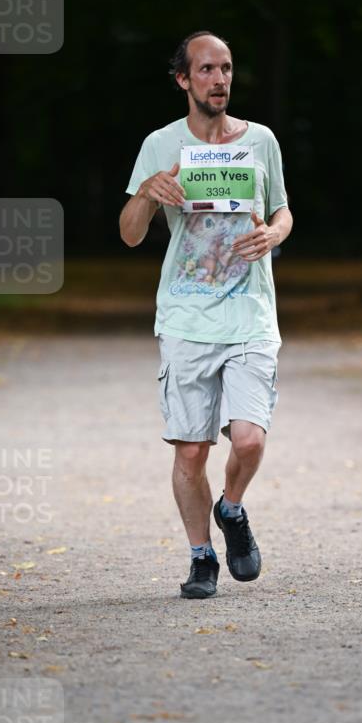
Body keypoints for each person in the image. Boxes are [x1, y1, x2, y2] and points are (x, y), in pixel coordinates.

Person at [119, 30, 293, 599]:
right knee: (191, 450)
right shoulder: (160, 143)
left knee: (248, 441)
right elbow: (129, 233)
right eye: (208, 70)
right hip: (187, 316)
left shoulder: (260, 139)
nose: (220, 79)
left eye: (227, 68)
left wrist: (272, 233)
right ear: (183, 79)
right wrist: (147, 190)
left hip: (250, 310)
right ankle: (201, 559)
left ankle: (233, 508)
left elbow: (283, 210)